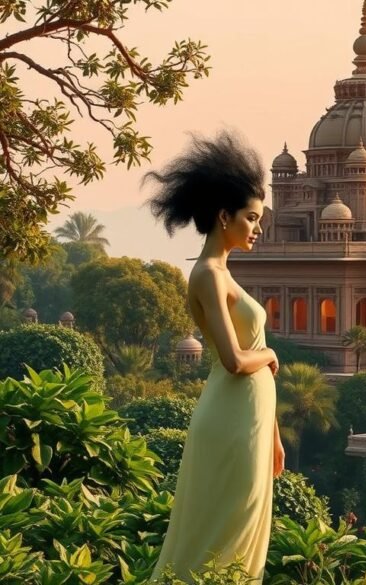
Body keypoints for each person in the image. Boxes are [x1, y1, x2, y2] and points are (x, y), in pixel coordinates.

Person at [146, 132, 284, 583]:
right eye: (251, 217)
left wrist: (276, 436)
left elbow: (252, 360)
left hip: (252, 419)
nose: (257, 228)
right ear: (224, 216)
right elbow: (234, 360)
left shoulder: (224, 272)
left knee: (245, 523)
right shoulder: (207, 274)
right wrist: (268, 353)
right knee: (225, 524)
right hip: (231, 417)